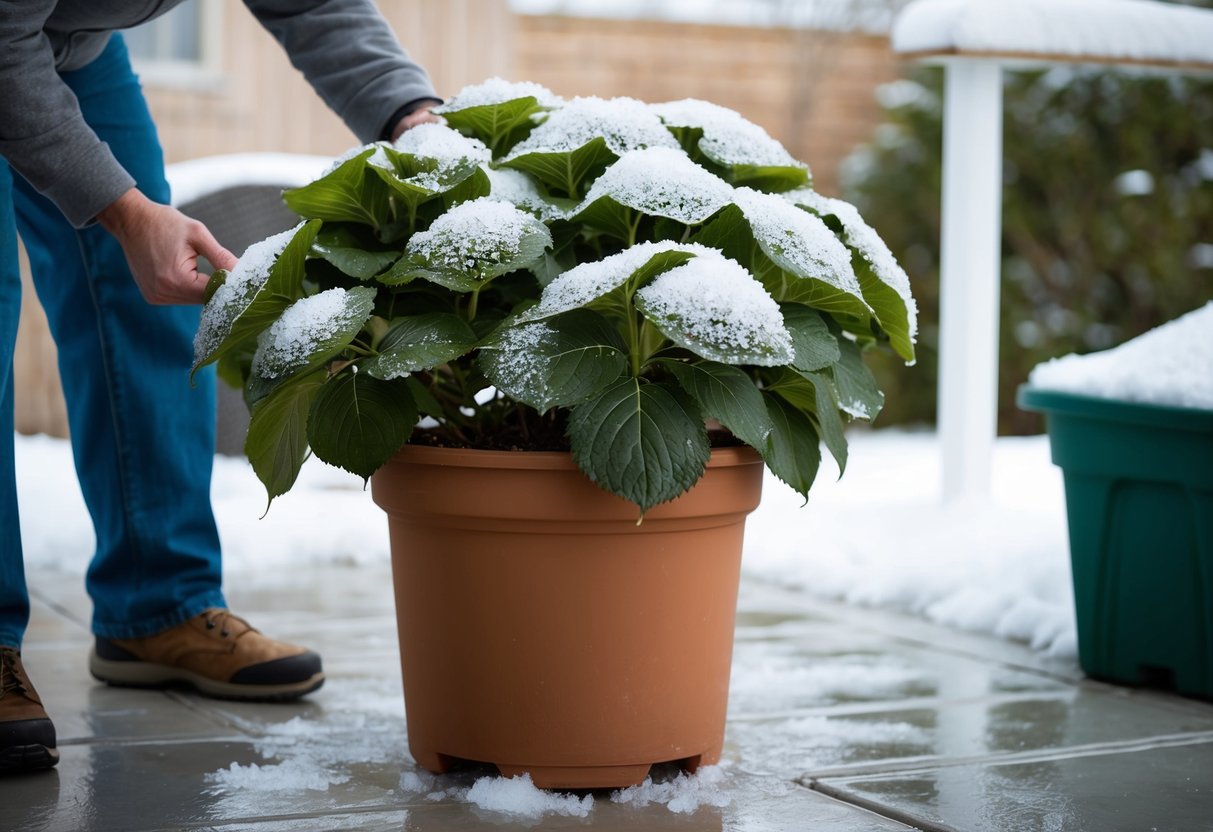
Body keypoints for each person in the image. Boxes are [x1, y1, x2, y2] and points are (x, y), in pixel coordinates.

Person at [0, 1, 442, 775]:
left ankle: (158, 607)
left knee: (160, 295)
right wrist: (127, 213)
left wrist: (411, 116)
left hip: (73, 44)